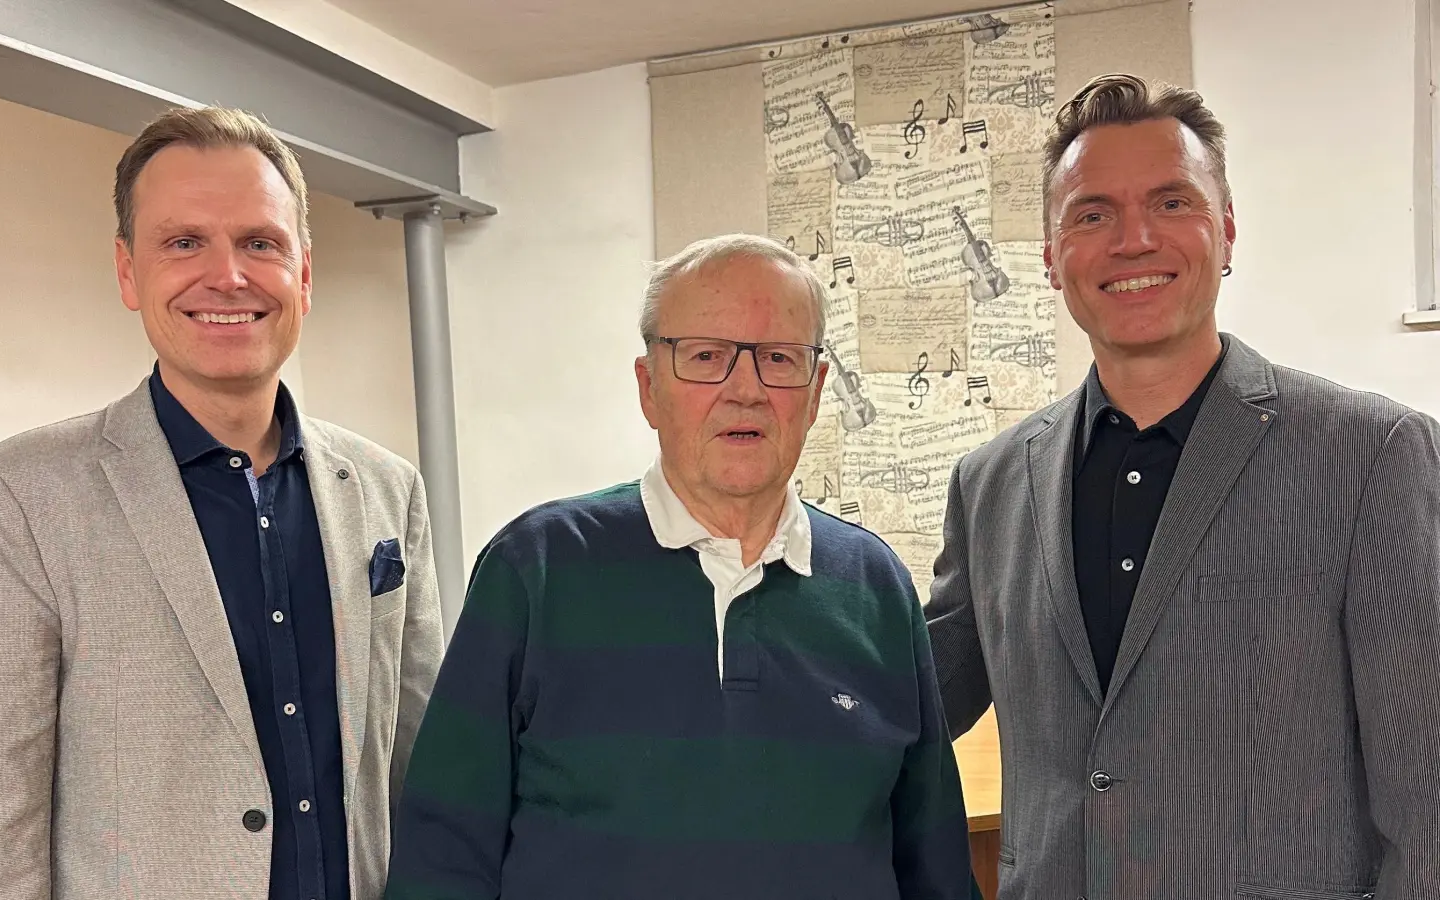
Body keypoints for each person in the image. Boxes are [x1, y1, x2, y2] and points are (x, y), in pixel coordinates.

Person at [925, 73, 1440, 899]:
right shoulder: (990, 483)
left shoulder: (1375, 455)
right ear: (1052, 260)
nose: (1133, 240)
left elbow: (1428, 805)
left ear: (1227, 232)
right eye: (1091, 214)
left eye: (1172, 203)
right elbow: (910, 705)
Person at [0, 106, 444, 900]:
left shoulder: (386, 487)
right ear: (130, 273)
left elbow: (419, 759)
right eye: (184, 242)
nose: (227, 276)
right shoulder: (15, 500)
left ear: (304, 272)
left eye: (260, 242)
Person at [384, 234, 978, 899]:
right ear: (649, 388)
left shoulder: (875, 587)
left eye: (778, 358)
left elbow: (937, 866)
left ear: (814, 392)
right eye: (706, 357)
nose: (745, 390)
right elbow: (441, 858)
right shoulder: (534, 569)